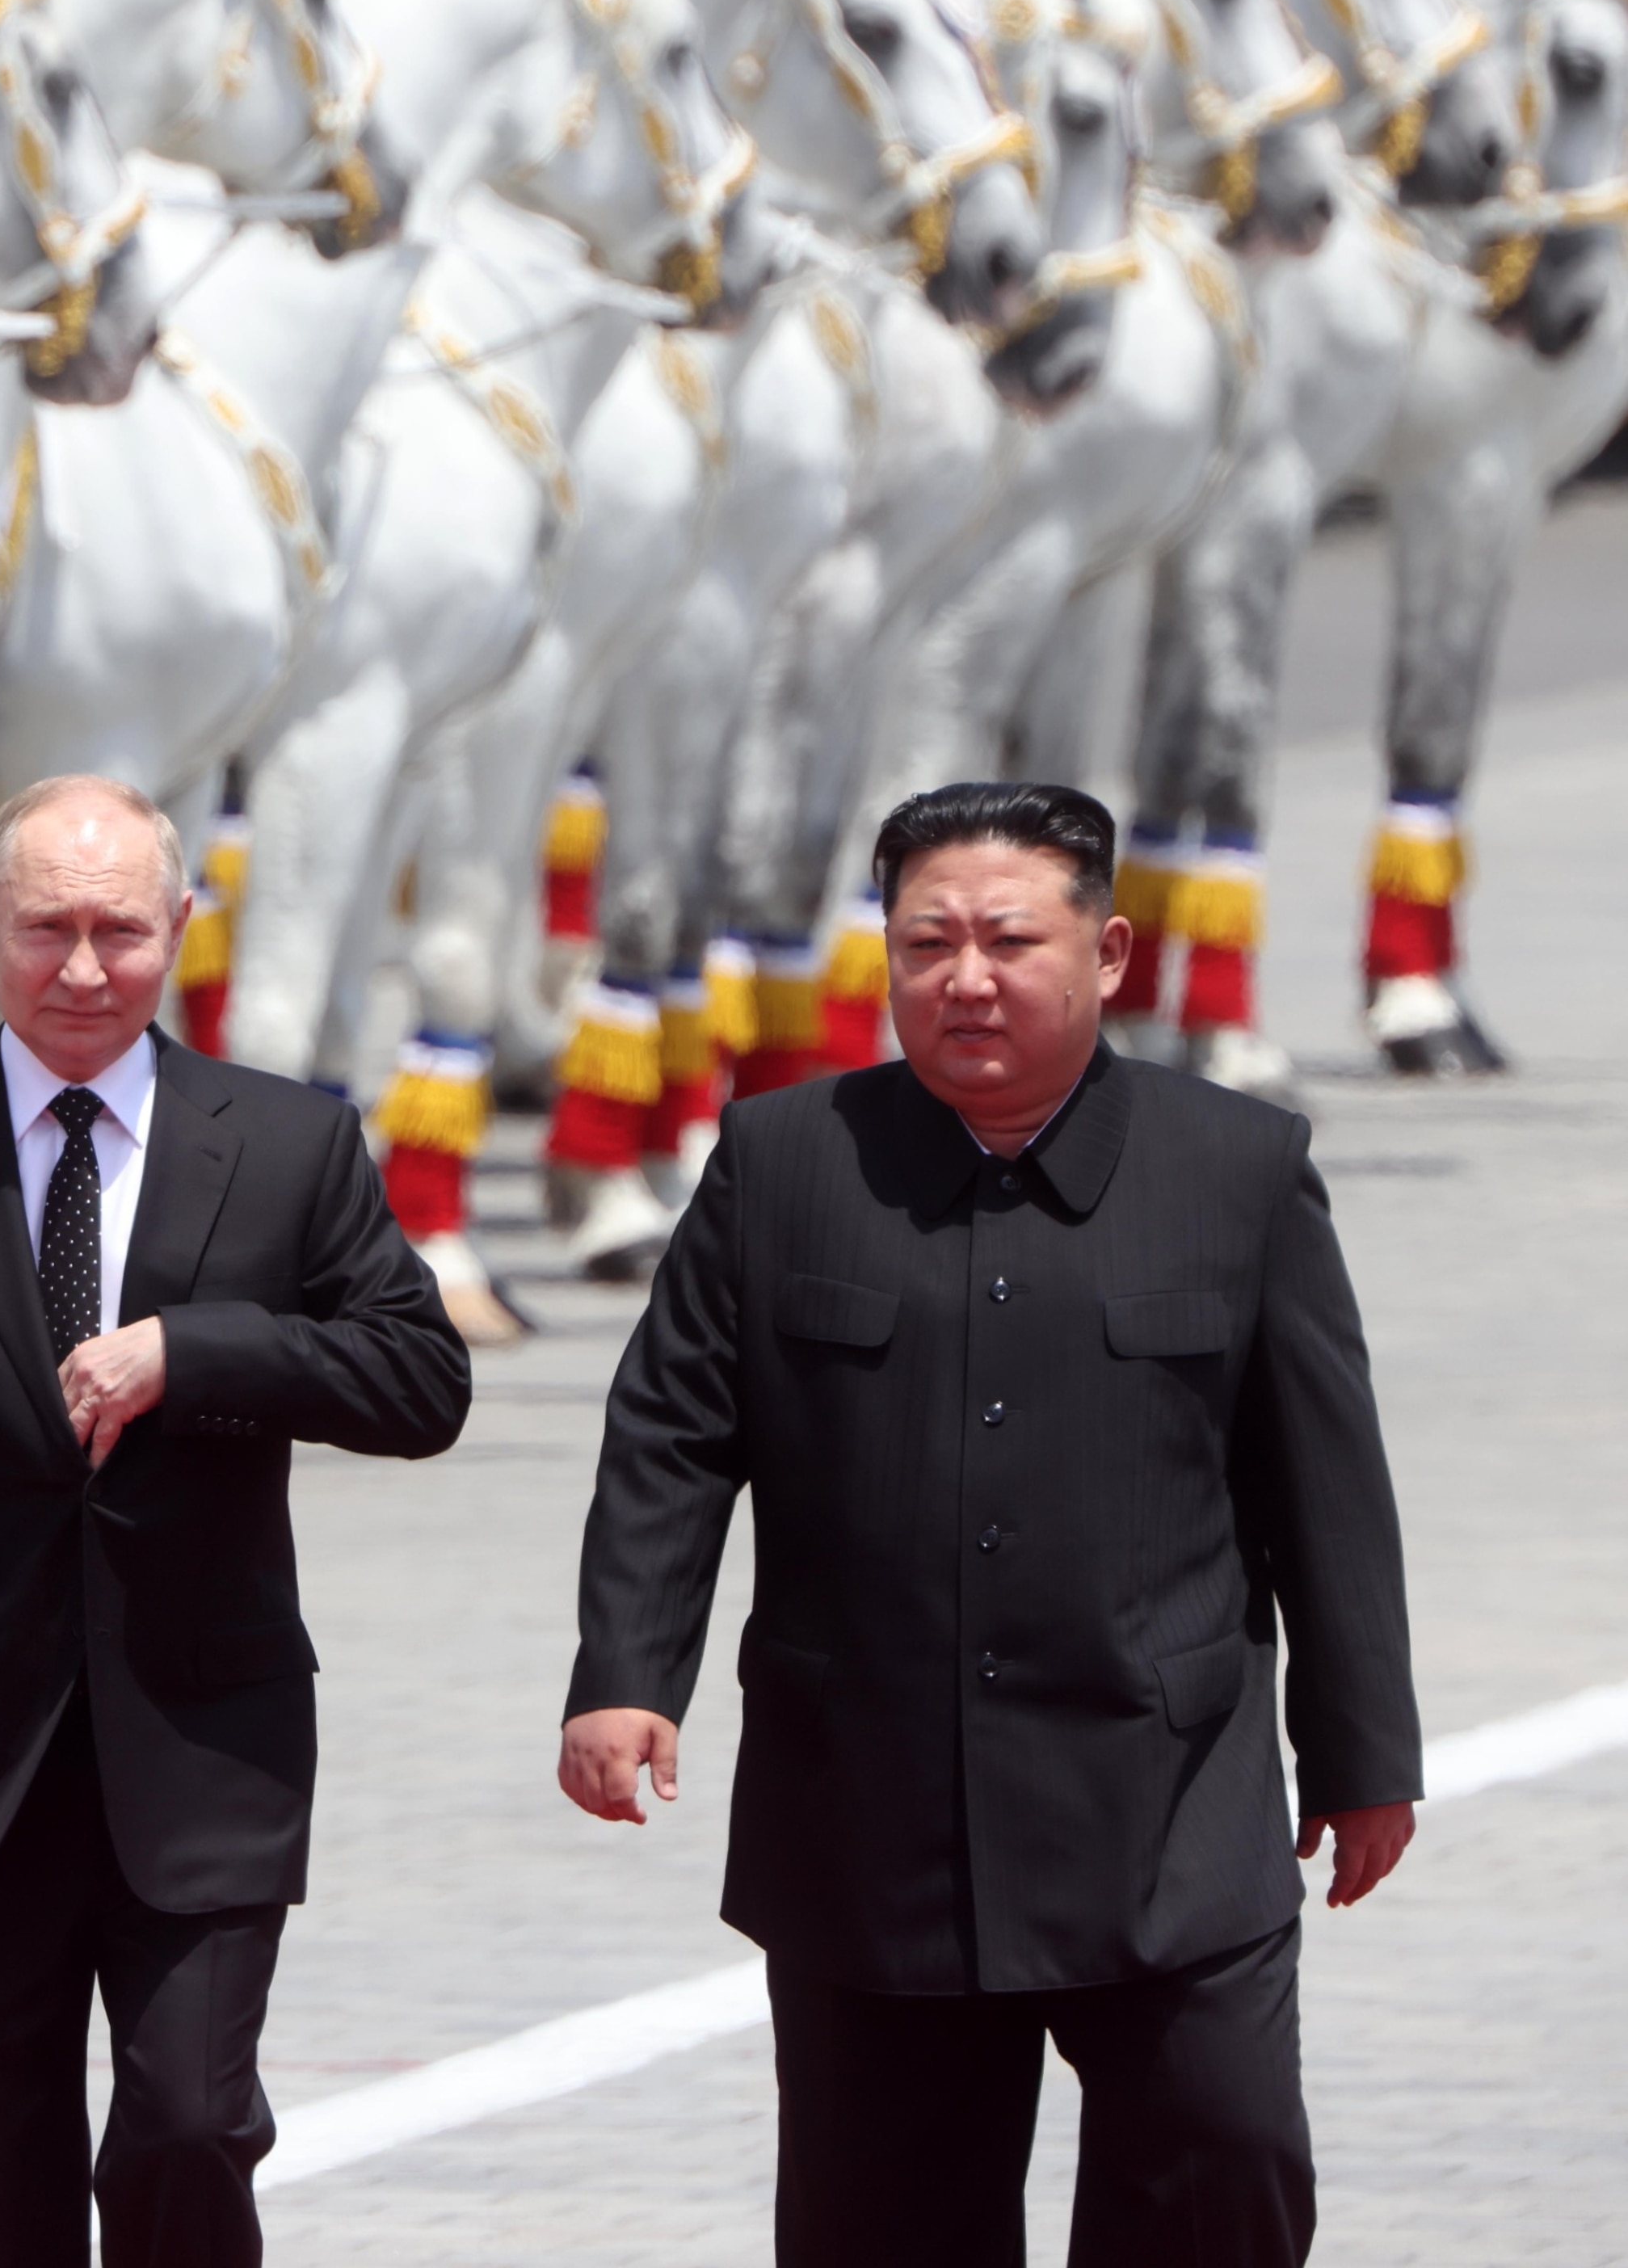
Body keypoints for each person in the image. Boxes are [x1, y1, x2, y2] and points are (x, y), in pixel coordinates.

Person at [558, 780, 1420, 2268]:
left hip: (1164, 1805)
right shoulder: (779, 1166)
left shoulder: (1238, 1171)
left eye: (1007, 940)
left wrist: (1361, 1759)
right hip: (870, 1819)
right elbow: (671, 1436)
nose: (962, 977)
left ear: (1107, 955)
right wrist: (626, 1672)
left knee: (1223, 2172)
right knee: (881, 2226)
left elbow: (1322, 1489)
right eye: (922, 943)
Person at [0, 774, 470, 2268]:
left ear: (181, 929)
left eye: (119, 932)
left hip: (206, 1746)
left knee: (191, 2125)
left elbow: (419, 1378)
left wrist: (200, 1350)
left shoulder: (286, 1142)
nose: (81, 969)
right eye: (46, 928)